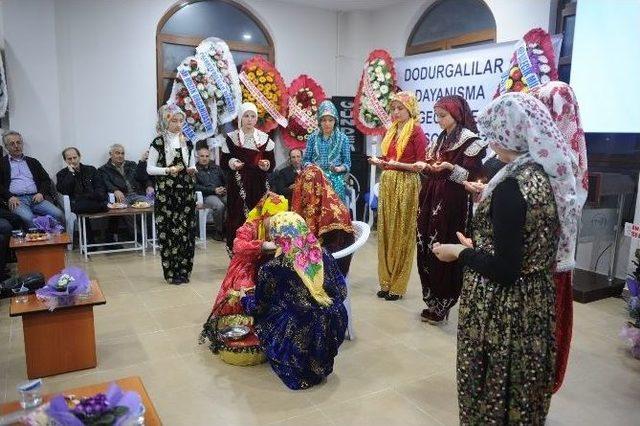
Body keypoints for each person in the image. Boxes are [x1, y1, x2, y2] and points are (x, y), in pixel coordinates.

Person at [432, 92, 576, 424]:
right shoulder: (544, 176)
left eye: (495, 132)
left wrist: (462, 252)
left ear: (510, 133)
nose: (490, 140)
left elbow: (506, 270)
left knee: (493, 387)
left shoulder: (513, 186)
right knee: (522, 390)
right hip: (535, 302)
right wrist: (481, 243)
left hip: (504, 310)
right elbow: (526, 244)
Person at [241, 211, 348, 390]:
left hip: (301, 329)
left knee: (270, 316)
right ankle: (318, 364)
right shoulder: (324, 255)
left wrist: (245, 299)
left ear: (278, 236)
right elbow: (341, 292)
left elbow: (259, 307)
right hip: (334, 324)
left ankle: (297, 366)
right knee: (305, 310)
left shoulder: (273, 267)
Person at [531, 80, 588, 393]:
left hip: (549, 258)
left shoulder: (561, 159)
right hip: (536, 255)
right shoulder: (542, 152)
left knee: (547, 321)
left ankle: (541, 384)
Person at [416, 95, 487, 324]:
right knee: (426, 244)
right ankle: (432, 300)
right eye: (436, 115)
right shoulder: (441, 138)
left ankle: (444, 302)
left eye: (442, 116)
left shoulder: (471, 141)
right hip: (431, 198)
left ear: (456, 114)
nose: (438, 120)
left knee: (445, 245)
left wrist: (449, 167)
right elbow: (432, 166)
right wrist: (426, 167)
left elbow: (473, 178)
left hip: (452, 203)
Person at [199, 193, 288, 366]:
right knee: (244, 287)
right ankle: (244, 328)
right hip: (247, 266)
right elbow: (238, 245)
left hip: (269, 268)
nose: (277, 222)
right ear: (265, 215)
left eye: (281, 217)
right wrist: (262, 245)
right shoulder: (252, 225)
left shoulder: (283, 227)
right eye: (273, 218)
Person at [368, 91, 427, 301]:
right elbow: (387, 158)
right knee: (386, 231)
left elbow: (421, 165)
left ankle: (398, 285)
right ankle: (385, 281)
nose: (396, 112)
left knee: (402, 233)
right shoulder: (391, 131)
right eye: (393, 108)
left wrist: (396, 165)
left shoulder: (417, 131)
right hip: (389, 182)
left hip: (406, 183)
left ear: (410, 109)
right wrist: (380, 162)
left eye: (400, 108)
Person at [146, 104, 197, 284]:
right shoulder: (158, 142)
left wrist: (191, 170)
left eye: (180, 120)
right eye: (173, 120)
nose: (178, 124)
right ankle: (171, 273)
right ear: (165, 121)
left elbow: (191, 163)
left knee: (186, 232)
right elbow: (150, 169)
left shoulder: (188, 142)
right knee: (169, 233)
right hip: (167, 194)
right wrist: (167, 171)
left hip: (186, 193)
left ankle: (184, 271)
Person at [221, 102, 275, 252]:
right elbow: (223, 162)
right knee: (238, 217)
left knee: (259, 216)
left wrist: (266, 164)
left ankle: (260, 251)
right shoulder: (232, 138)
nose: (249, 119)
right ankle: (238, 252)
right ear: (240, 118)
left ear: (256, 119)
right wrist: (232, 162)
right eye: (246, 116)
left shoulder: (265, 139)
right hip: (238, 185)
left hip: (259, 184)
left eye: (252, 116)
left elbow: (272, 163)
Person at [292, 165, 355, 276]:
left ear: (317, 186)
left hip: (332, 266)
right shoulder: (316, 204)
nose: (304, 192)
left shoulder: (333, 214)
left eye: (308, 186)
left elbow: (333, 249)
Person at [0, 131, 65, 228]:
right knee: (29, 218)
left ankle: (57, 240)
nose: (16, 146)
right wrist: (9, 197)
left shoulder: (32, 161)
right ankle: (41, 240)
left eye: (18, 142)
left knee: (58, 214)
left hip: (36, 198)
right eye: (12, 143)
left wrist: (41, 193)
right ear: (6, 147)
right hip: (17, 200)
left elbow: (46, 180)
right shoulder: (2, 163)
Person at [303, 100, 351, 205]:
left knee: (335, 212)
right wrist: (313, 168)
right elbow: (306, 160)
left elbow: (347, 163)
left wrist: (338, 169)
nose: (327, 123)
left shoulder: (343, 139)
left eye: (330, 120)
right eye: (324, 120)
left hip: (335, 180)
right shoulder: (312, 138)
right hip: (316, 180)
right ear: (319, 121)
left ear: (335, 121)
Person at [56, 147, 108, 214]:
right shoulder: (61, 174)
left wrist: (96, 196)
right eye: (69, 159)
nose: (73, 161)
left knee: (104, 204)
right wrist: (71, 173)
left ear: (79, 157)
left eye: (75, 158)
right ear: (65, 160)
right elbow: (64, 190)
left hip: (94, 199)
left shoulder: (91, 169)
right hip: (77, 202)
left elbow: (100, 186)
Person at [194, 146, 227, 240]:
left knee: (233, 202)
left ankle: (228, 230)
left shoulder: (216, 168)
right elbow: (195, 186)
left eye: (207, 156)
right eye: (202, 156)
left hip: (221, 193)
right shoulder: (195, 170)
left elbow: (226, 181)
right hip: (207, 196)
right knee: (219, 205)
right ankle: (218, 232)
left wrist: (224, 188)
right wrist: (213, 190)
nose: (204, 158)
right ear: (198, 157)